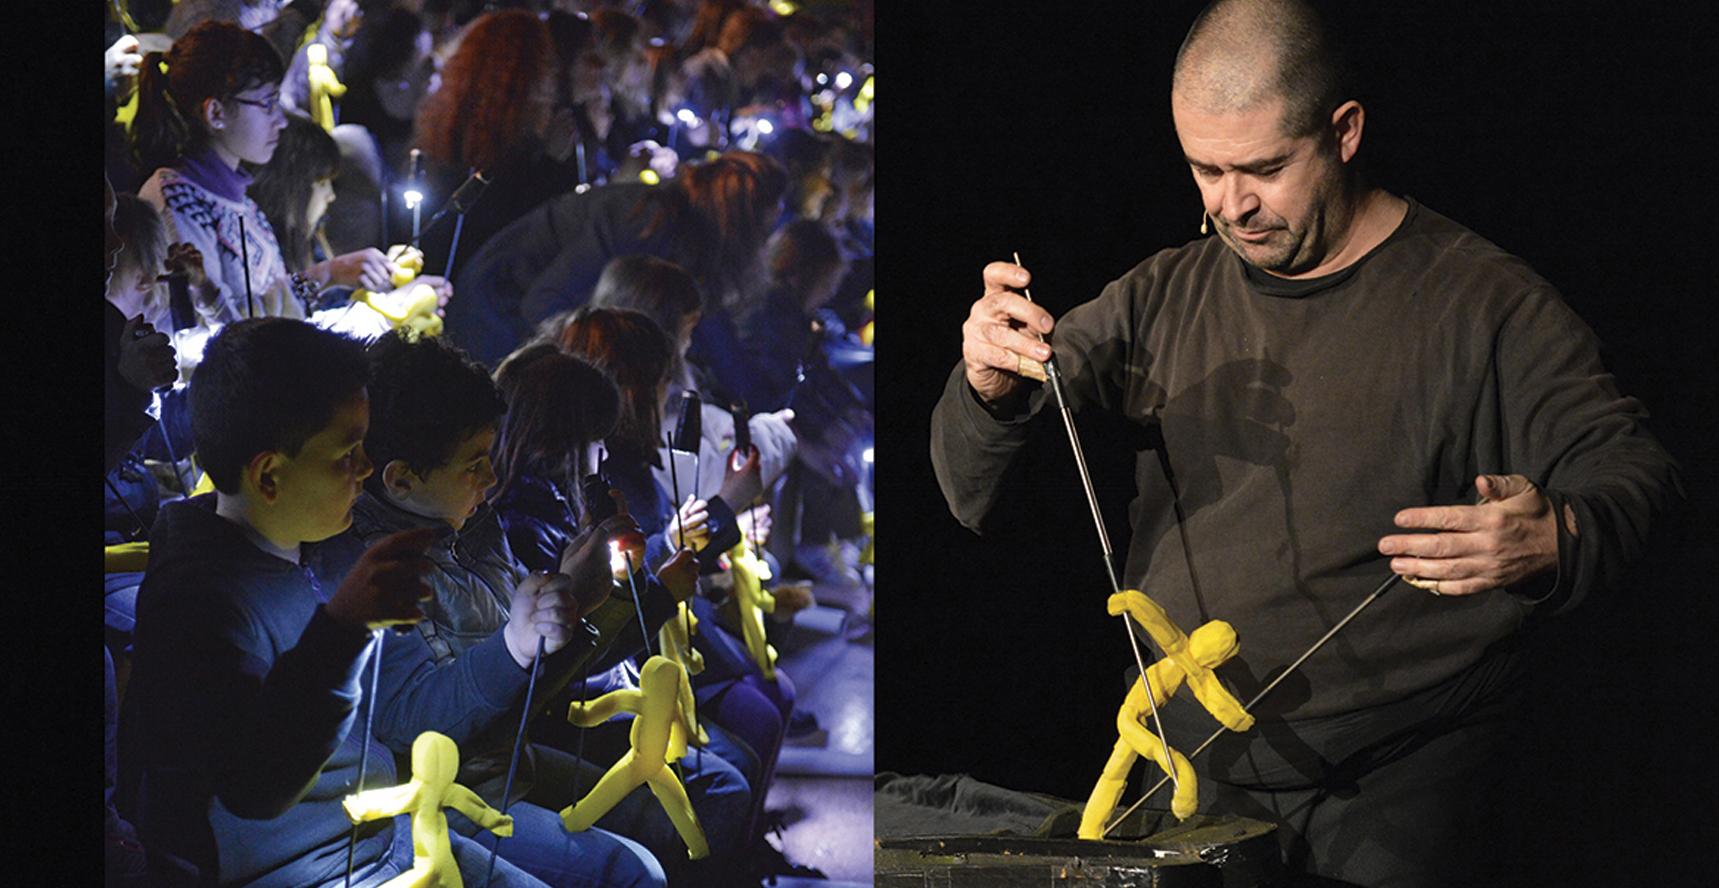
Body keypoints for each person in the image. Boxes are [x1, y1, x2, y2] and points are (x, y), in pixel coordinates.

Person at [929, 1, 1683, 885]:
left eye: (1263, 169)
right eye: (1204, 170)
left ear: (1345, 132)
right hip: (1199, 774)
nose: (1230, 205)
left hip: (1402, 779)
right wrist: (987, 382)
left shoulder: (1484, 304)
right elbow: (970, 488)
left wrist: (1552, 534)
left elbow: (1638, 476)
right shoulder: (1161, 294)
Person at [117, 317, 548, 887]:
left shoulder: (329, 552)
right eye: (347, 453)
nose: (366, 469)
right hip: (298, 871)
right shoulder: (198, 605)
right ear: (269, 475)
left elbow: (401, 707)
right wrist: (344, 629)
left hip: (383, 837)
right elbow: (255, 788)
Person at [339, 331, 673, 887]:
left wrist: (585, 595)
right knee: (634, 872)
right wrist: (520, 642)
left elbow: (537, 683)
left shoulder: (471, 527)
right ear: (400, 478)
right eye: (474, 465)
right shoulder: (374, 570)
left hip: (504, 765)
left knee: (655, 814)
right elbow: (408, 727)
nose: (491, 480)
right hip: (447, 795)